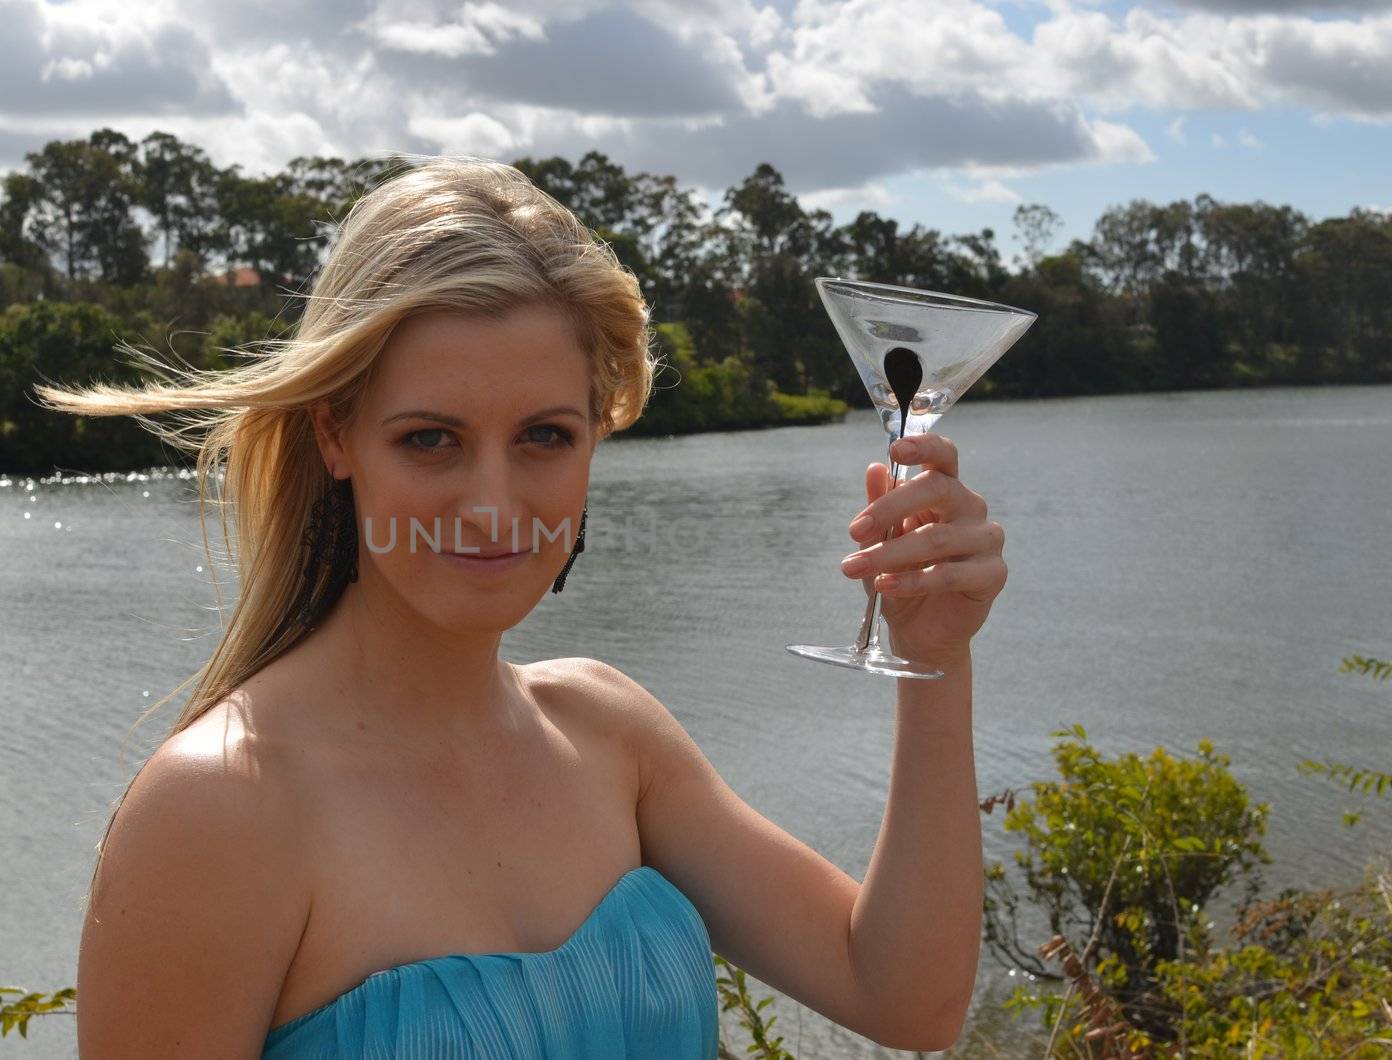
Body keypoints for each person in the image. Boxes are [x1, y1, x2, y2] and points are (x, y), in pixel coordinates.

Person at [49, 156, 1006, 1058]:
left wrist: (936, 658)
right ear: (335, 436)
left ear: (596, 435)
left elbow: (904, 994)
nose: (493, 505)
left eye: (545, 435)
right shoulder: (220, 808)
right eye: (431, 440)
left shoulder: (608, 732)